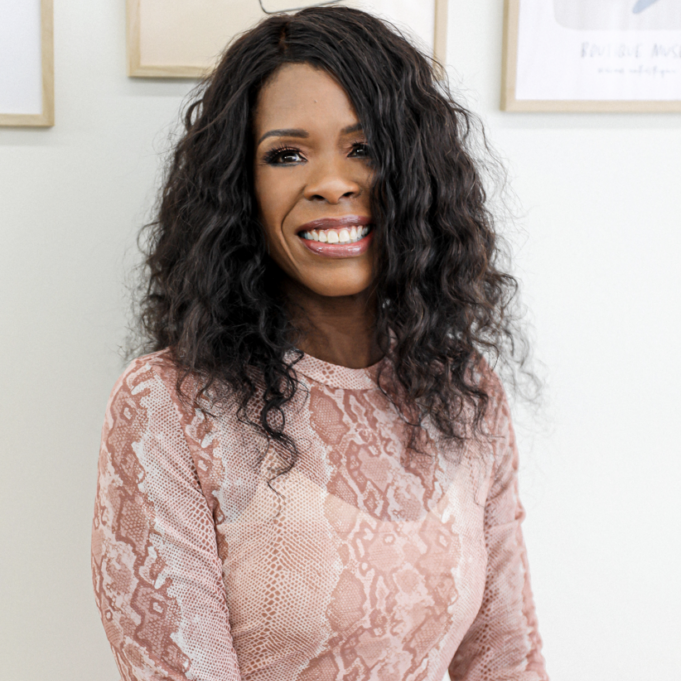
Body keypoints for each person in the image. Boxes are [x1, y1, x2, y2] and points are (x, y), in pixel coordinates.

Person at [91, 7, 548, 680]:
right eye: (287, 154)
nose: (331, 181)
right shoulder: (169, 402)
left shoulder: (464, 388)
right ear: (240, 188)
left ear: (416, 175)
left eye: (362, 148)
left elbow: (504, 654)